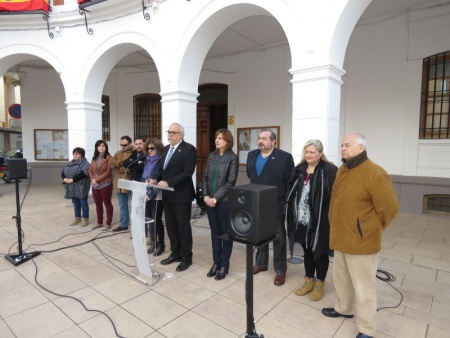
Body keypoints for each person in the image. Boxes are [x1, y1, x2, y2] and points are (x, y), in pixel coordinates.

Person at [322, 133, 399, 338]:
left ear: (361, 148)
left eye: (347, 145)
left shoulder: (375, 173)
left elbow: (389, 208)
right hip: (340, 237)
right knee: (341, 279)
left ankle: (367, 328)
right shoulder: (342, 170)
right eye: (341, 145)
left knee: (364, 288)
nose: (343, 148)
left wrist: (369, 228)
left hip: (362, 242)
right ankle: (344, 309)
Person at [285, 140, 337, 301]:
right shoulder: (299, 169)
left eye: (312, 152)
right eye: (306, 152)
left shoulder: (329, 170)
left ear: (320, 154)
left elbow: (335, 196)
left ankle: (319, 283)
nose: (308, 155)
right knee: (307, 250)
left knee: (319, 252)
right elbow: (291, 191)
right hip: (301, 219)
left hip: (321, 220)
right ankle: (308, 280)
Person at [246, 128, 294, 286]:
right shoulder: (252, 155)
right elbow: (251, 176)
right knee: (259, 235)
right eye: (260, 138)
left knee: (278, 238)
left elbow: (290, 181)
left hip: (275, 204)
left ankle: (280, 270)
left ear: (273, 141)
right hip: (257, 202)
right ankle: (261, 263)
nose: (261, 141)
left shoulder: (284, 157)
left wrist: (285, 202)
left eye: (265, 138)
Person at [152, 123, 197, 272]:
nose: (169, 134)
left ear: (181, 135)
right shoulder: (165, 149)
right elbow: (161, 169)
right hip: (167, 195)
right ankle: (175, 253)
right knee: (171, 226)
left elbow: (187, 172)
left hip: (181, 195)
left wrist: (169, 182)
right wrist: (155, 179)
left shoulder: (188, 149)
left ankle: (186, 257)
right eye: (168, 132)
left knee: (183, 227)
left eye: (173, 132)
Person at [202, 129, 239, 280]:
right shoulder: (212, 155)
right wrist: (205, 196)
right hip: (209, 200)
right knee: (214, 232)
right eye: (216, 138)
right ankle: (216, 262)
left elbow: (231, 181)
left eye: (221, 139)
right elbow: (204, 176)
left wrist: (215, 198)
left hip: (223, 202)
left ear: (228, 142)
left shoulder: (233, 157)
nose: (217, 140)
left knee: (225, 234)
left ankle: (224, 264)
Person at [141, 138, 165, 256]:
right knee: (150, 220)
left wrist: (151, 194)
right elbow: (143, 176)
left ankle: (161, 244)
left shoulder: (161, 160)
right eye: (148, 148)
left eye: (152, 148)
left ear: (158, 148)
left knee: (157, 220)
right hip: (146, 193)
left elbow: (160, 179)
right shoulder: (147, 160)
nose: (149, 150)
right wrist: (142, 191)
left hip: (156, 194)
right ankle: (153, 243)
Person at [109, 135, 134, 232]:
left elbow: (129, 167)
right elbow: (110, 163)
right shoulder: (118, 153)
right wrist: (120, 163)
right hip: (118, 183)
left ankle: (133, 224)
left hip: (129, 181)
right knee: (122, 205)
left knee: (132, 204)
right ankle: (123, 224)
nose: (123, 147)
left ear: (130, 144)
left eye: (125, 145)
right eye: (121, 145)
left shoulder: (134, 153)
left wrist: (118, 165)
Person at [61, 147, 91, 227]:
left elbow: (84, 173)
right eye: (74, 154)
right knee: (75, 202)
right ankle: (77, 218)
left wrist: (72, 179)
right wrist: (65, 178)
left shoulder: (85, 163)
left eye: (77, 154)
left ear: (82, 155)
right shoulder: (70, 163)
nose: (75, 156)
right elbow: (62, 171)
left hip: (81, 186)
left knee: (83, 203)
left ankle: (85, 219)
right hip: (71, 187)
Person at [89, 140, 114, 230]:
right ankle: (99, 222)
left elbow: (108, 172)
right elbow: (90, 170)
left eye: (103, 145)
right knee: (98, 204)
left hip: (105, 184)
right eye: (99, 146)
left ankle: (108, 223)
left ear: (106, 147)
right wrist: (93, 179)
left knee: (107, 203)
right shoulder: (94, 158)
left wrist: (96, 180)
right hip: (95, 185)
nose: (101, 147)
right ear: (96, 148)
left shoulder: (109, 158)